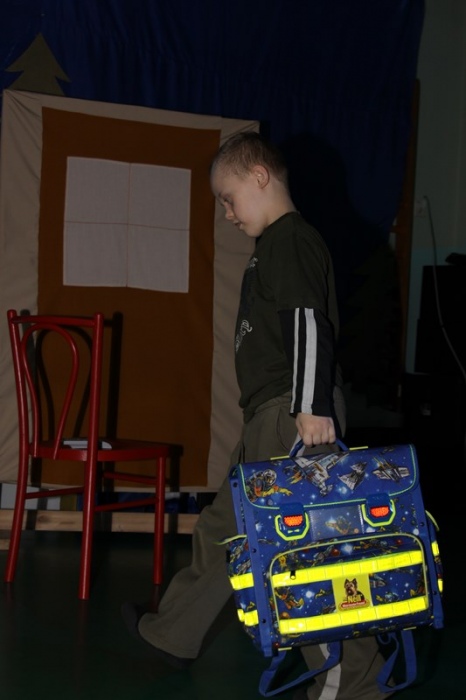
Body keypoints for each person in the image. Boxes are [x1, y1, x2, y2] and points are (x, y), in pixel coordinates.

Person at [122, 132, 393, 700]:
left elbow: (308, 320)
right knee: (225, 529)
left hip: (292, 414)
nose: (227, 213)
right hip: (270, 417)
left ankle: (354, 683)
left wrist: (311, 406)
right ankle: (173, 632)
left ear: (260, 177)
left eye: (228, 198)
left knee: (306, 549)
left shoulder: (290, 238)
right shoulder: (273, 245)